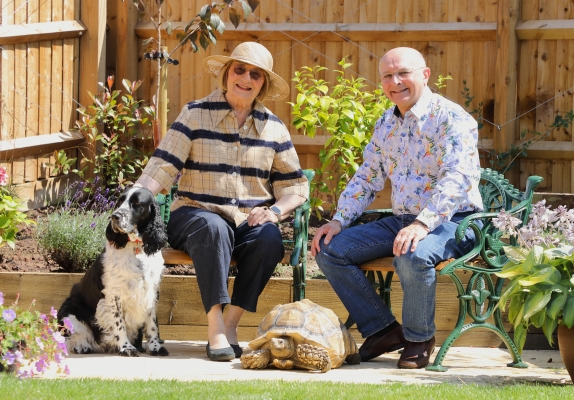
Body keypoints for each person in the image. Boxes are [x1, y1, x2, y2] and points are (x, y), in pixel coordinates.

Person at [134, 42, 309, 361]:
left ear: (263, 84)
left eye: (255, 74)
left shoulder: (273, 127)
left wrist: (274, 211)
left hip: (245, 221)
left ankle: (231, 324)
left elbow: (296, 186)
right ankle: (214, 327)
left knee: (269, 239)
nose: (246, 78)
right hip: (194, 215)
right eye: (239, 69)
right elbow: (160, 168)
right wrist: (132, 206)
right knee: (212, 227)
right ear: (227, 74)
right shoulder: (196, 113)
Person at [311, 47, 483, 369]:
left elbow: (458, 178)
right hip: (402, 219)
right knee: (329, 248)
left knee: (413, 254)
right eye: (388, 76)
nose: (396, 82)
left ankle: (419, 339)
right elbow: (367, 177)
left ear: (425, 74)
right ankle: (384, 330)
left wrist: (422, 224)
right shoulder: (386, 124)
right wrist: (338, 221)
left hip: (455, 221)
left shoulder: (453, 118)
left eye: (403, 73)